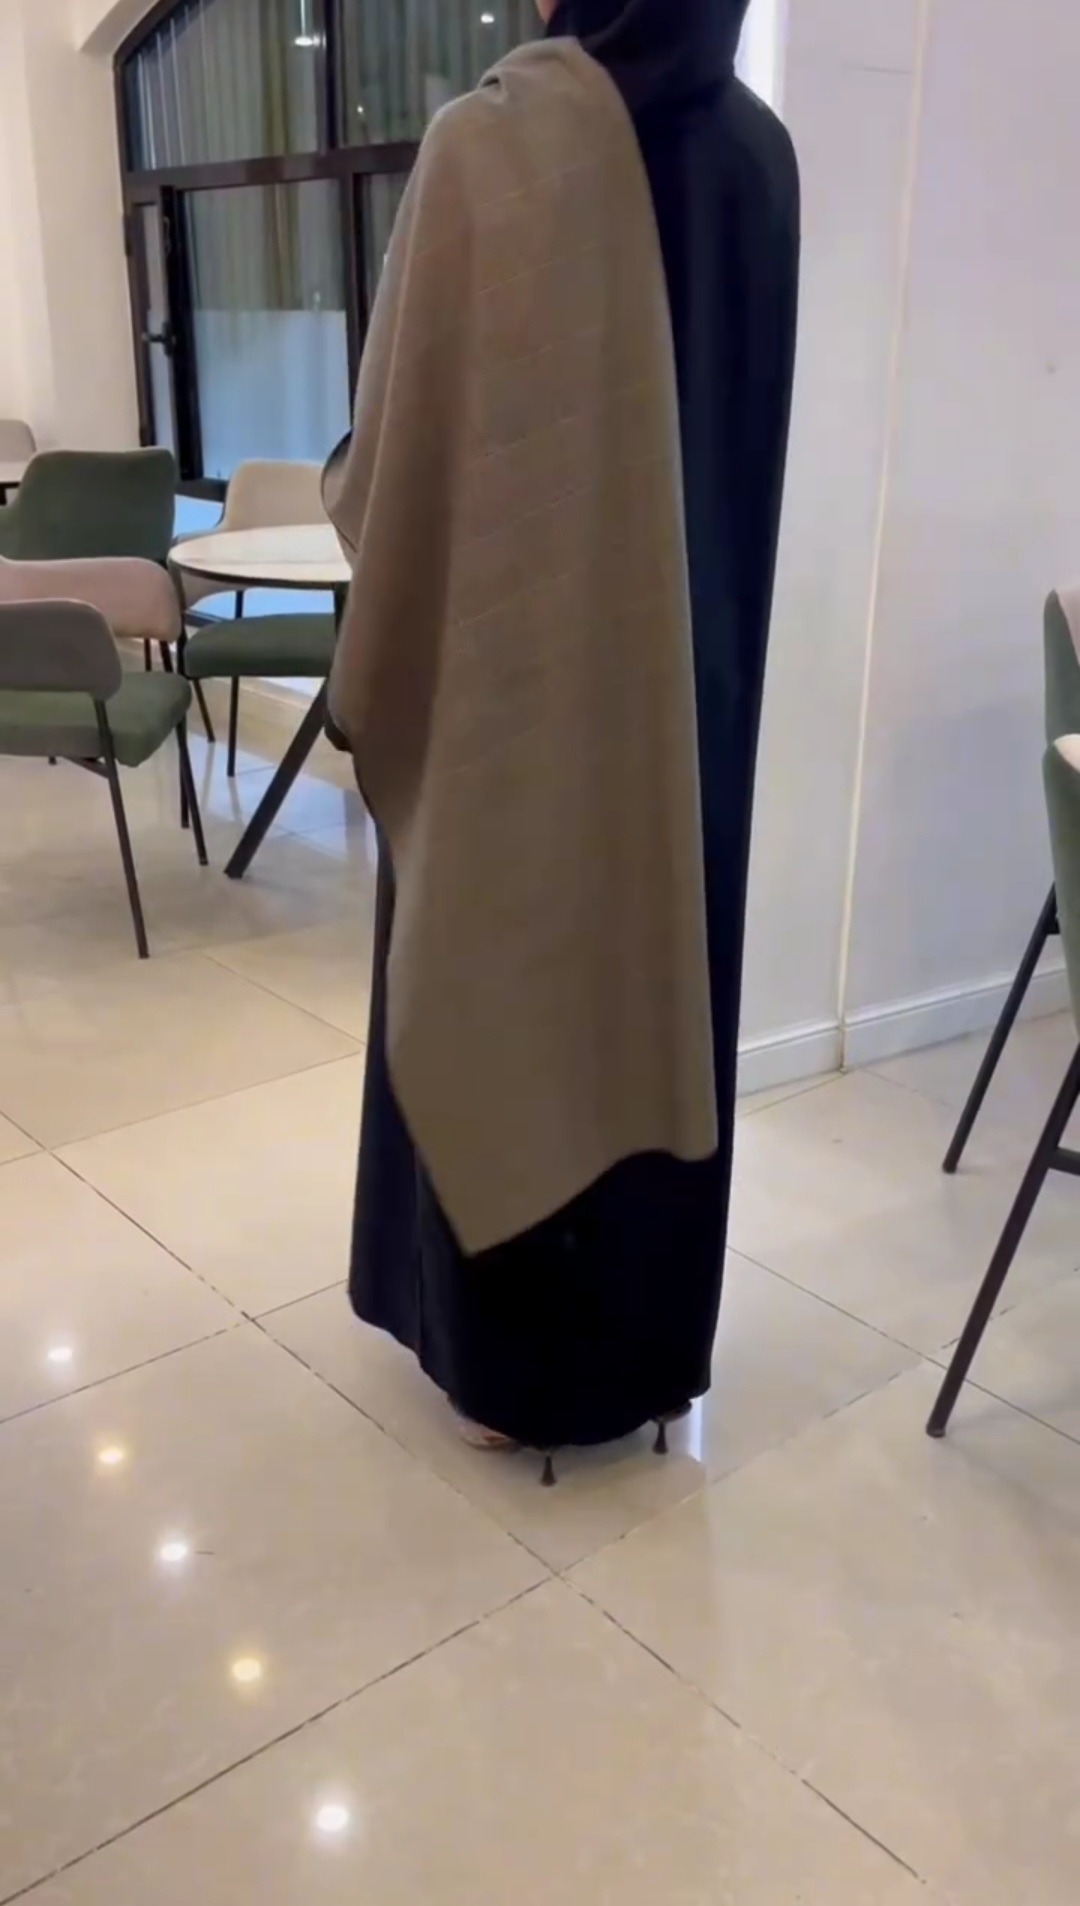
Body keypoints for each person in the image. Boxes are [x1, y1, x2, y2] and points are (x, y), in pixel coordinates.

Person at [325, 0, 800, 1463]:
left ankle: (505, 1374)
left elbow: (388, 469)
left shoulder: (491, 145)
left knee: (496, 961)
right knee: (661, 988)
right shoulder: (760, 158)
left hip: (508, 688)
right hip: (696, 702)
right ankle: (647, 1361)